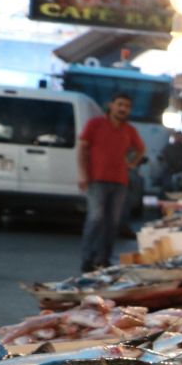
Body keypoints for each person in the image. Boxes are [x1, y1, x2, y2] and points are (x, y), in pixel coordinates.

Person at [77, 91, 145, 272]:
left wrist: (131, 164)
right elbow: (82, 149)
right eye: (120, 104)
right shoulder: (95, 124)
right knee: (96, 218)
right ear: (111, 105)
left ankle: (103, 258)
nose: (123, 109)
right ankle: (87, 258)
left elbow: (140, 149)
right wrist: (83, 175)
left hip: (120, 182)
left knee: (113, 222)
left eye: (127, 106)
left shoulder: (129, 130)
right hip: (97, 180)